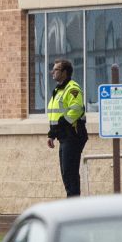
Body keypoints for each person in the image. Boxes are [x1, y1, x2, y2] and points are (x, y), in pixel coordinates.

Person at [46, 58, 87, 197]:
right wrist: (52, 134)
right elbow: (55, 115)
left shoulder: (73, 88)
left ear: (64, 72)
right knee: (66, 172)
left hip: (73, 135)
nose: (52, 72)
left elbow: (76, 109)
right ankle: (72, 202)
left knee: (70, 172)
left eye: (56, 69)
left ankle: (74, 205)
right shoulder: (58, 90)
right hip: (63, 136)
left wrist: (62, 123)